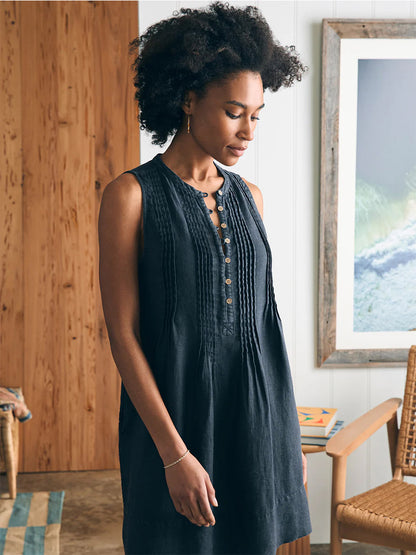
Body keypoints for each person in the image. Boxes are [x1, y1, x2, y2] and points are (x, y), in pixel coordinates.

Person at [98, 2, 311, 554]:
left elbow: (264, 329)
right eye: (235, 111)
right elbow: (123, 334)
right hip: (173, 426)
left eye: (257, 115)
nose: (248, 131)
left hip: (255, 425)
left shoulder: (251, 199)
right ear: (188, 100)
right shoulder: (130, 196)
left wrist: (287, 441)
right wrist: (174, 455)